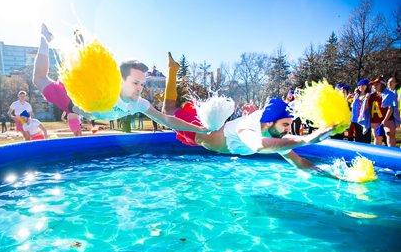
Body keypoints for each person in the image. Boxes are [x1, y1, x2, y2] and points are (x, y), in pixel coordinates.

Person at [163, 53, 335, 173]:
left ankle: (174, 72)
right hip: (197, 131)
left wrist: (337, 177)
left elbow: (299, 162)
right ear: (269, 122)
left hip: (207, 134)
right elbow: (259, 145)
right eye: (285, 125)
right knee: (168, 111)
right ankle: (173, 69)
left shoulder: (272, 132)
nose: (287, 131)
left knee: (172, 110)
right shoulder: (247, 129)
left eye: (288, 126)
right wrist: (306, 139)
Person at [32, 24, 209, 135]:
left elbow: (167, 120)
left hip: (89, 101)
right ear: (120, 81)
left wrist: (199, 128)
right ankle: (45, 39)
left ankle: (60, 42)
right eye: (135, 83)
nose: (140, 88)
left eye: (142, 84)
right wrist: (81, 46)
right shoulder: (107, 86)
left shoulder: (139, 103)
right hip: (72, 100)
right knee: (39, 79)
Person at [359, 77, 399, 147]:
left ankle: (391, 153)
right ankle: (377, 154)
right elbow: (366, 108)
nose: (374, 86)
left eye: (377, 84)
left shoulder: (389, 94)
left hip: (388, 119)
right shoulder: (371, 95)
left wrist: (385, 120)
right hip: (375, 119)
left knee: (390, 134)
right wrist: (367, 99)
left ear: (382, 85)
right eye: (373, 85)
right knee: (376, 136)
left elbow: (391, 108)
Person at [351, 79, 372, 143]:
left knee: (366, 136)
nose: (361, 87)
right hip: (357, 117)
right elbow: (353, 106)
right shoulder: (357, 96)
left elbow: (368, 107)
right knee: (358, 135)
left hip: (365, 117)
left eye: (363, 85)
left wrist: (367, 99)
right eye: (359, 85)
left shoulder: (369, 95)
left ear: (366, 86)